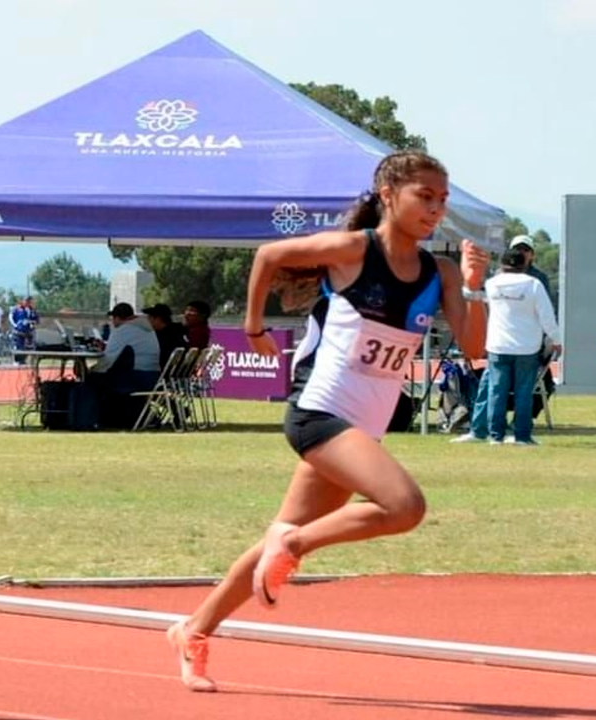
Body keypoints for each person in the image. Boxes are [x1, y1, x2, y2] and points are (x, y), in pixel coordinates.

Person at [165, 151, 488, 692]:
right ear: (388, 195)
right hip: (320, 413)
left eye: (442, 200)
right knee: (404, 507)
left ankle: (193, 631)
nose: (435, 209)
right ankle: (293, 548)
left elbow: (475, 349)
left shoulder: (443, 272)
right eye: (424, 197)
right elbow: (269, 254)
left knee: (280, 535)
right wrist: (252, 328)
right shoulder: (352, 251)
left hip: (364, 427)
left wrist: (474, 286)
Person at [462, 250, 559, 446]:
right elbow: (546, 316)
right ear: (524, 264)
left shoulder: (492, 284)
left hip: (498, 345)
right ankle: (521, 436)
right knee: (524, 393)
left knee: (496, 392)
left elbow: (470, 295)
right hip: (527, 347)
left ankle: (495, 436)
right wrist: (556, 339)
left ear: (502, 265)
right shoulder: (533, 284)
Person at [142, 302, 188, 367]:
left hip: (162, 371)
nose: (147, 320)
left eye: (150, 317)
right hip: (176, 372)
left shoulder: (165, 336)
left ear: (158, 319)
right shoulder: (179, 331)